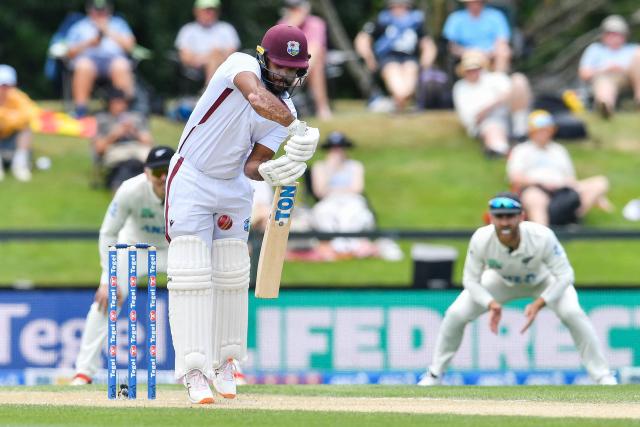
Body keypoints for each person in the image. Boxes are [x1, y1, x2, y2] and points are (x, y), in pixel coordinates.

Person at [164, 24, 319, 404]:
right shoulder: (238, 65)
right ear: (264, 57)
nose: (284, 75)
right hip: (192, 176)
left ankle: (225, 361)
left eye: (292, 70)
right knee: (191, 273)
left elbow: (253, 165)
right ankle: (193, 369)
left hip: (235, 184)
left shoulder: (287, 111)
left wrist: (272, 171)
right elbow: (255, 97)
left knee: (232, 273)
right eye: (279, 66)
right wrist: (298, 128)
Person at [418, 192, 617, 386]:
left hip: (543, 280)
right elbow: (470, 280)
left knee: (573, 313)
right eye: (499, 216)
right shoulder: (481, 238)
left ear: (521, 216)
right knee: (455, 314)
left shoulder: (542, 236)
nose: (505, 222)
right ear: (490, 218)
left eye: (510, 216)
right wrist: (490, 303)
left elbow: (565, 276)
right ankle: (435, 373)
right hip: (500, 280)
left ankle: (602, 376)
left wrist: (541, 302)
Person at [70, 146, 174, 385]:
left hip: (173, 249)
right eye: (157, 171)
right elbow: (108, 233)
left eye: (167, 170)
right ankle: (83, 372)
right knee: (108, 298)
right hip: (134, 248)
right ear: (147, 172)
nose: (162, 177)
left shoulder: (187, 189)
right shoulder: (130, 189)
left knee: (200, 292)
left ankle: (223, 367)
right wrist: (108, 278)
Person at [507, 110, 611, 226]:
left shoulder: (559, 150)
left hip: (562, 189)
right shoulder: (522, 150)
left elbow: (571, 178)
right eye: (540, 131)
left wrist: (565, 185)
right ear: (532, 132)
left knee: (600, 183)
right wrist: (542, 183)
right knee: (534, 198)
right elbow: (515, 178)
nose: (544, 134)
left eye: (547, 130)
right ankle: (543, 232)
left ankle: (570, 220)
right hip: (536, 188)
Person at [354, 0, 437, 112]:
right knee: (394, 74)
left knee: (410, 71)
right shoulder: (381, 21)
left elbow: (428, 44)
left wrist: (426, 62)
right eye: (396, 6)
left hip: (409, 58)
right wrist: (369, 57)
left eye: (402, 6)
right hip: (387, 58)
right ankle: (397, 101)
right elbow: (362, 38)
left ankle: (396, 103)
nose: (399, 9)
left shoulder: (416, 23)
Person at [310, 131, 377, 259]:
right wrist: (331, 168)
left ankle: (349, 248)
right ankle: (336, 249)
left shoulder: (355, 166)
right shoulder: (320, 167)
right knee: (324, 214)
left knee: (350, 215)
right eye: (333, 148)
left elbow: (357, 189)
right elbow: (320, 191)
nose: (337, 151)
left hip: (352, 200)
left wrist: (335, 189)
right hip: (329, 200)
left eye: (340, 148)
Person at [453, 50, 530, 157]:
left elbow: (513, 93)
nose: (473, 72)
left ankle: (521, 133)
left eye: (476, 68)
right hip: (488, 120)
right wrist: (495, 103)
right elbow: (470, 118)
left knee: (519, 80)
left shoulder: (496, 78)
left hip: (509, 114)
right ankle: (502, 150)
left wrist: (502, 100)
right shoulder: (460, 87)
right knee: (492, 128)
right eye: (469, 69)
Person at [66, 0, 136, 117]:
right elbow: (69, 52)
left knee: (121, 65)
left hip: (113, 62)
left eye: (103, 10)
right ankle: (81, 109)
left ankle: (123, 109)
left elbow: (130, 46)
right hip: (89, 62)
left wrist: (108, 31)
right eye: (96, 10)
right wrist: (89, 43)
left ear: (109, 10)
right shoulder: (80, 26)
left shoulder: (119, 24)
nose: (99, 13)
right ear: (89, 10)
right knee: (83, 66)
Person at [578, 15, 640, 118]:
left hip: (630, 78)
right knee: (604, 82)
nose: (612, 37)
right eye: (609, 34)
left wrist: (623, 69)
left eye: (616, 34)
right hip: (604, 77)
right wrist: (604, 69)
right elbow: (583, 74)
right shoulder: (595, 49)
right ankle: (606, 107)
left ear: (624, 35)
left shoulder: (633, 49)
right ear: (603, 35)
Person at [279, 0, 332, 120]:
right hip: (289, 62)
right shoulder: (283, 24)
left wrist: (301, 71)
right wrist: (292, 26)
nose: (294, 11)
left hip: (310, 63)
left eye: (296, 8)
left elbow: (315, 48)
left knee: (316, 62)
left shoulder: (316, 23)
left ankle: (322, 108)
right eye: (291, 8)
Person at [94, 87, 154, 192]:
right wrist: (115, 134)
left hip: (137, 149)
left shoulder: (136, 118)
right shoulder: (103, 120)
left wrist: (134, 132)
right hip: (116, 151)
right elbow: (99, 149)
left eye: (122, 103)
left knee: (141, 160)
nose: (121, 106)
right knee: (127, 164)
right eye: (116, 103)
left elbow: (149, 143)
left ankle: (120, 186)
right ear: (109, 104)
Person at [175, 0, 241, 85]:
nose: (210, 13)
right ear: (196, 11)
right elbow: (185, 58)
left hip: (222, 63)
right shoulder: (187, 30)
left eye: (212, 10)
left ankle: (208, 89)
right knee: (214, 56)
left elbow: (232, 54)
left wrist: (214, 56)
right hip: (196, 66)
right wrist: (210, 56)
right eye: (206, 10)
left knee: (215, 57)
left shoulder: (227, 28)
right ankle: (211, 89)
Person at [443, 0, 512, 73]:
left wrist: (487, 53)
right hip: (466, 54)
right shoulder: (455, 18)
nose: (475, 4)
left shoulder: (496, 16)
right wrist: (469, 52)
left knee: (504, 51)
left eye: (478, 1)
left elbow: (502, 40)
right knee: (472, 59)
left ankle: (499, 79)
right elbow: (451, 45)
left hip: (491, 54)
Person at [0, 65, 36, 182]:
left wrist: (6, 119)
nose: (5, 90)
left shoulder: (19, 98)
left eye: (8, 86)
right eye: (2, 86)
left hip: (12, 141)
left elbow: (30, 114)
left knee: (26, 129)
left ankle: (20, 165)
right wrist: (10, 117)